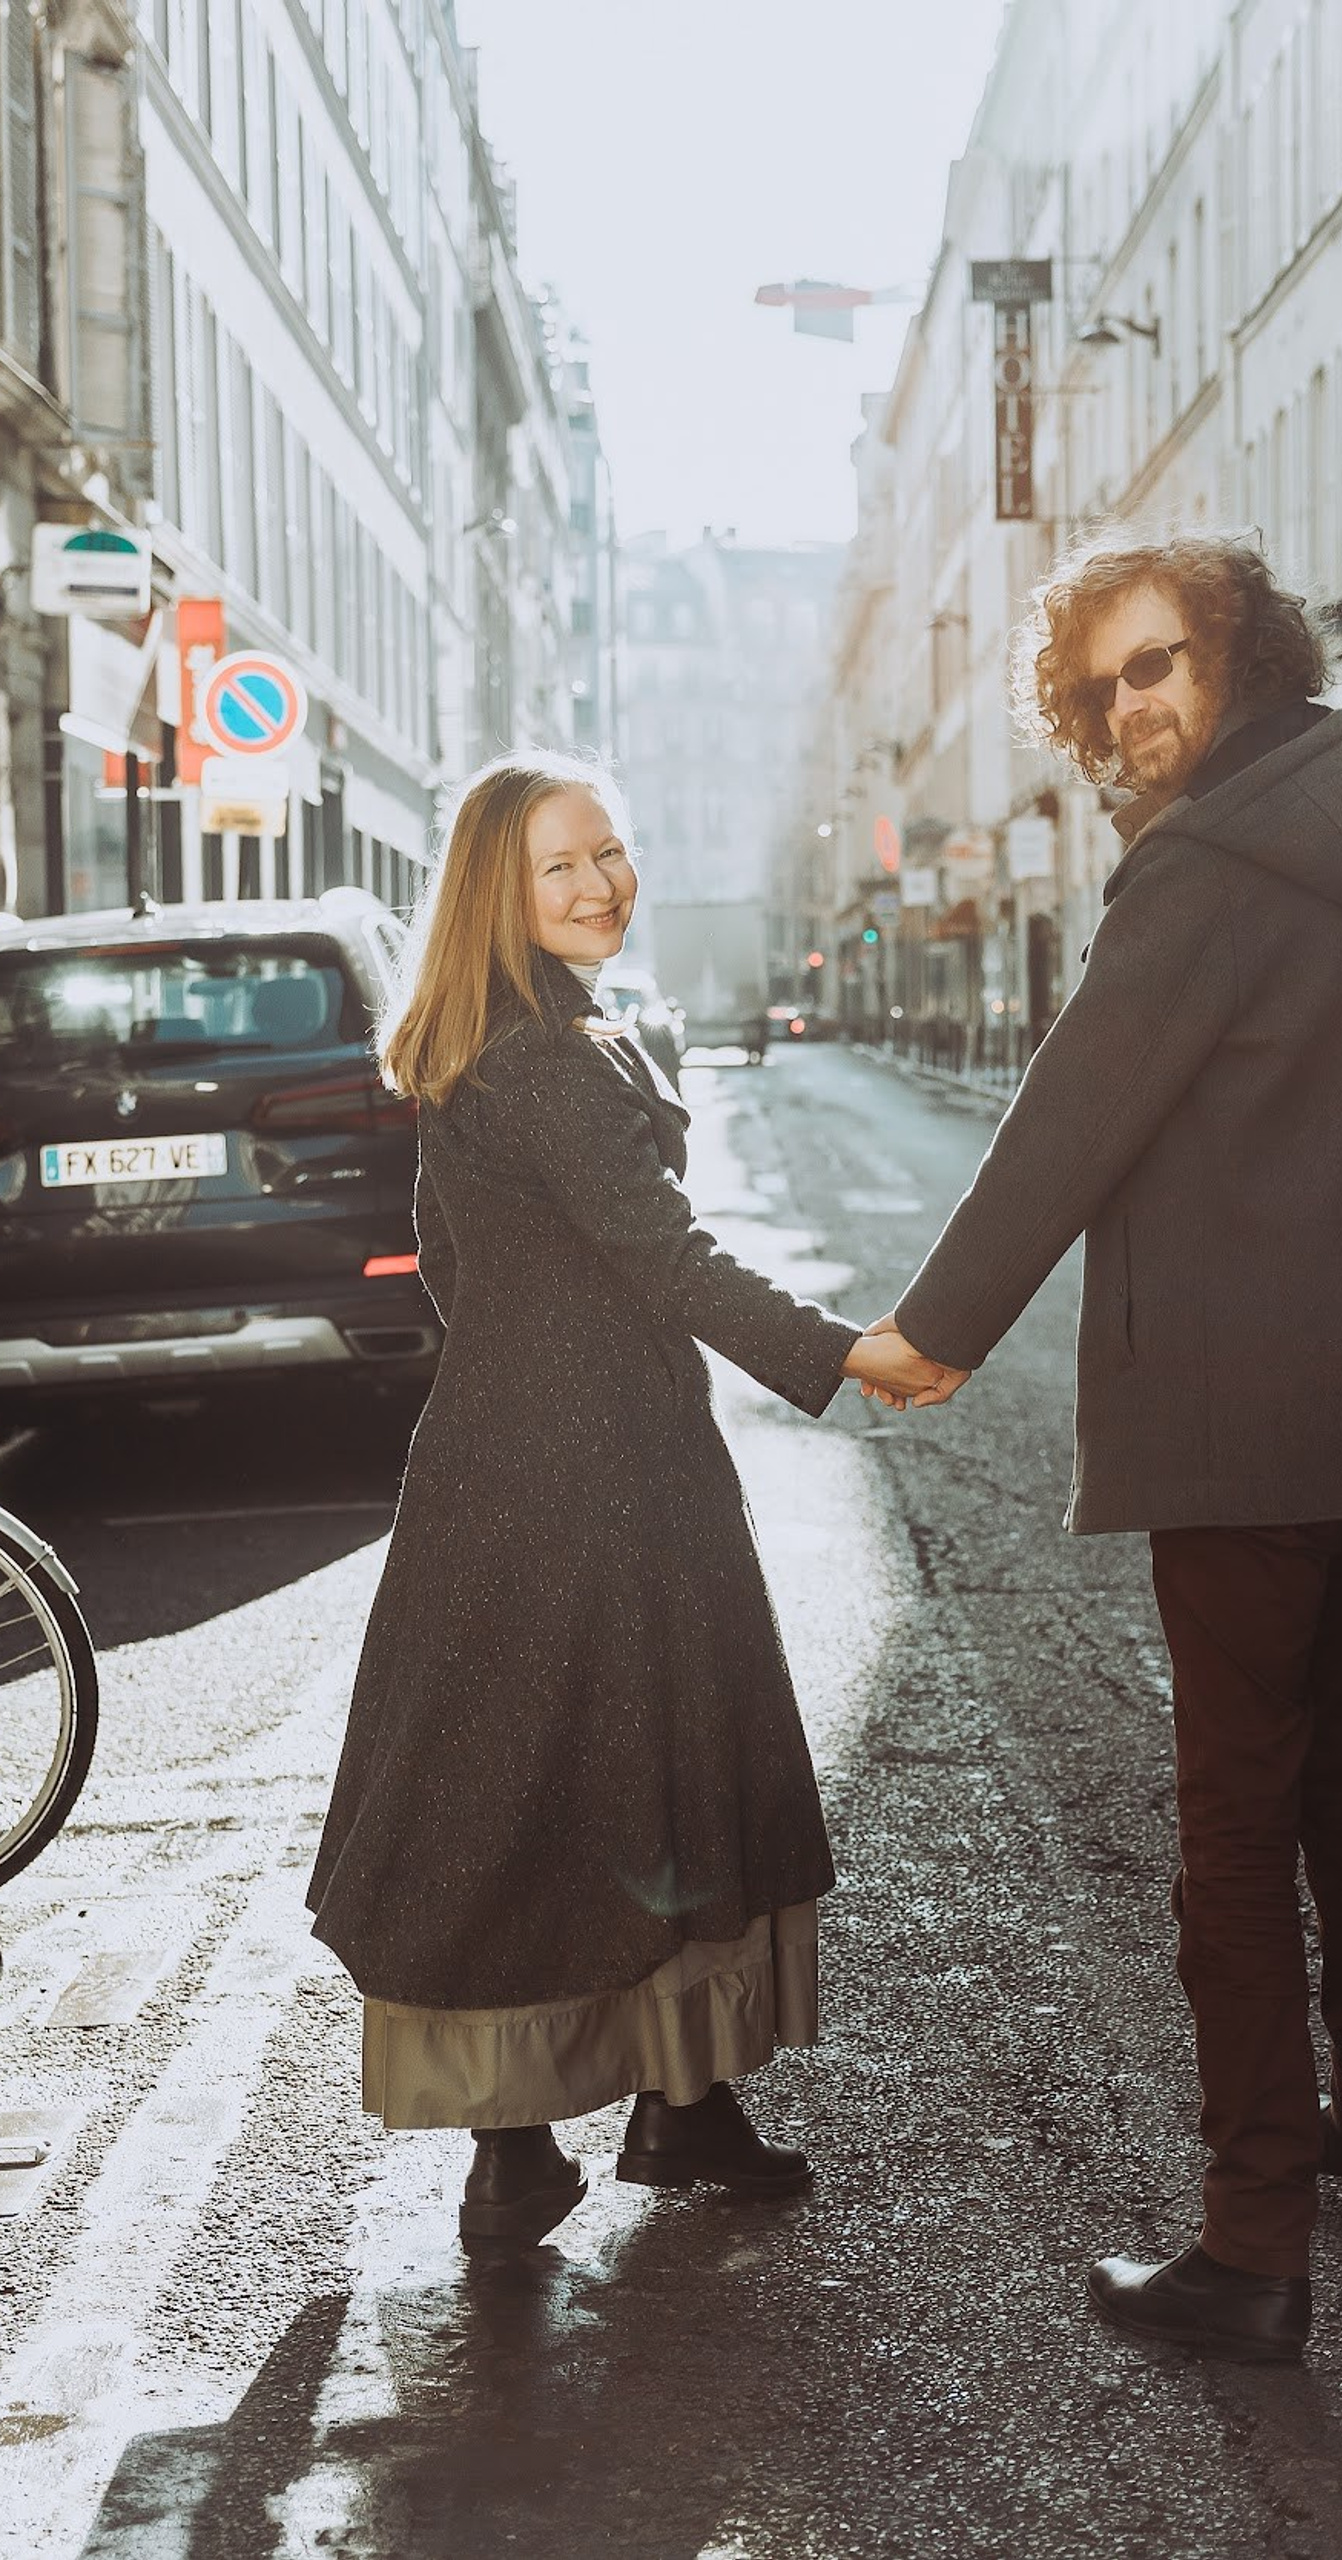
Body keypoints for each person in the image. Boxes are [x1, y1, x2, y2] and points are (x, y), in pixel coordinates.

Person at [868, 531, 1342, 2361]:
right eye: (1102, 687)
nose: (1132, 707)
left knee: (1233, 1821)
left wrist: (930, 1339)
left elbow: (1070, 1123)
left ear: (1241, 654)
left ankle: (1251, 2245)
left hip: (1244, 1418)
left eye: (1161, 665)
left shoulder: (1208, 869)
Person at [307, 749, 948, 2252]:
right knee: (628, 1769)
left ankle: (609, 2125)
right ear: (497, 895)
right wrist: (845, 1351)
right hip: (593, 1475)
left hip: (519, 1458)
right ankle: (621, 2123)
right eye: (562, 867)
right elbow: (667, 1254)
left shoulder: (509, 1035)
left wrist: (541, 1370)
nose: (603, 884)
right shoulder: (541, 1051)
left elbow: (452, 1270)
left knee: (539, 1779)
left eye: (612, 850)